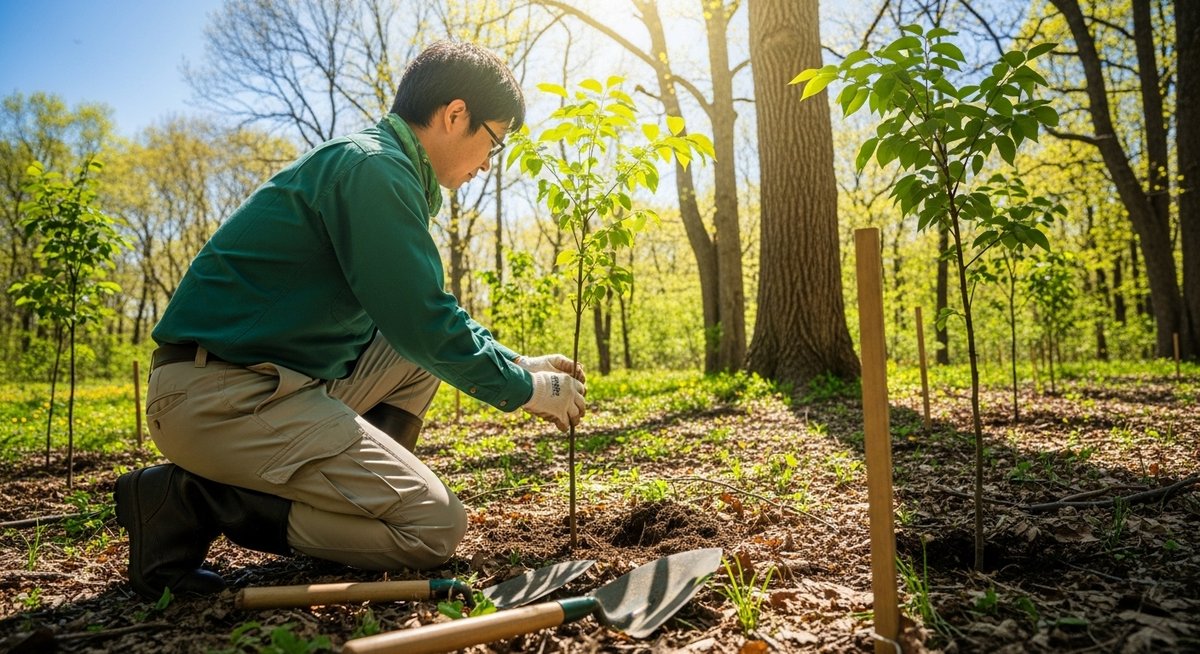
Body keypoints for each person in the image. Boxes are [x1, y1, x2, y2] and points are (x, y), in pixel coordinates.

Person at [114, 41, 587, 600]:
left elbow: (415, 324)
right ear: (455, 114)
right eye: (492, 143)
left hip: (264, 380)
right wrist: (525, 391)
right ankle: (197, 499)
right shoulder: (374, 170)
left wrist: (518, 363)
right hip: (220, 398)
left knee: (408, 359)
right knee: (433, 529)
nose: (487, 163)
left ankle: (349, 499)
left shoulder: (378, 166)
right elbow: (423, 321)